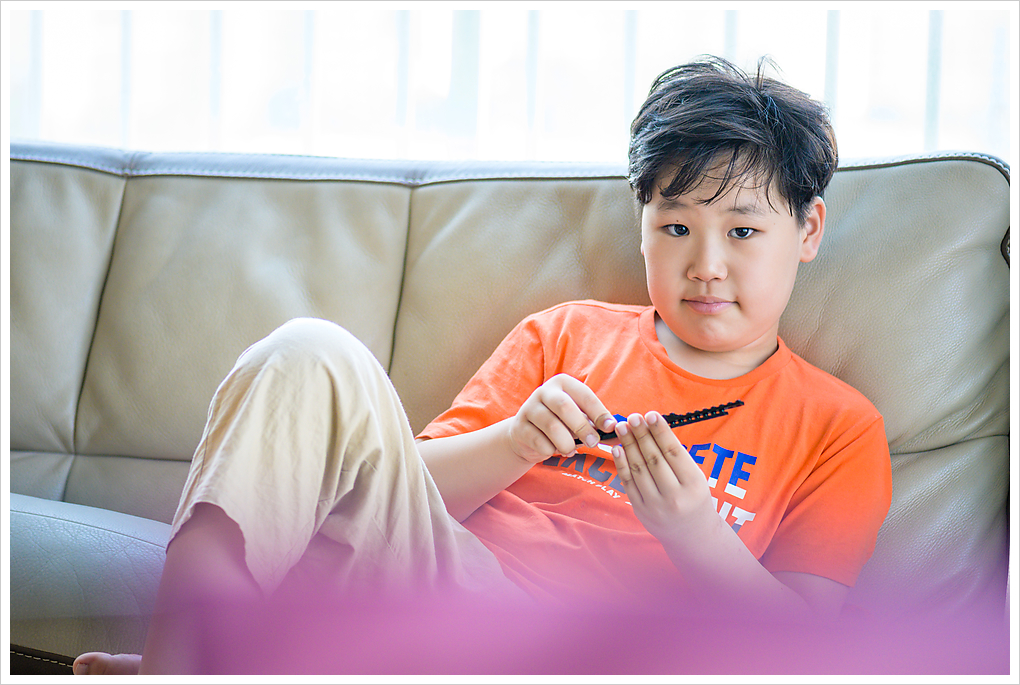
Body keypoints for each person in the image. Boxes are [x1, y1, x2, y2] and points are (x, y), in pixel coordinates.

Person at [73, 56, 891, 675]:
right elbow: (385, 494)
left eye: (743, 232)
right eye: (676, 228)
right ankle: (186, 657)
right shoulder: (566, 334)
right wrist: (516, 440)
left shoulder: (839, 428)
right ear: (642, 226)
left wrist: (693, 530)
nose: (706, 265)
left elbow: (801, 646)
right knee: (307, 349)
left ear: (808, 231)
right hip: (449, 598)